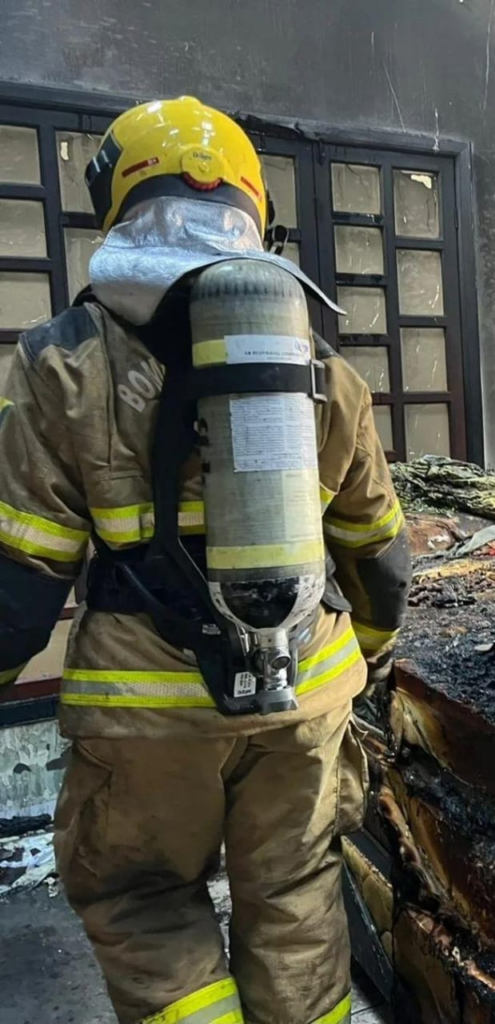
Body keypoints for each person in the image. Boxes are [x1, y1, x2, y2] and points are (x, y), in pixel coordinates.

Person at [0, 96, 409, 1024]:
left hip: (147, 716)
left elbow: (20, 577)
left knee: (142, 901)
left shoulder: (61, 363)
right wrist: (369, 654)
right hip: (305, 695)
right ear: (253, 207)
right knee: (298, 897)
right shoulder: (319, 363)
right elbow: (377, 550)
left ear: (117, 200)